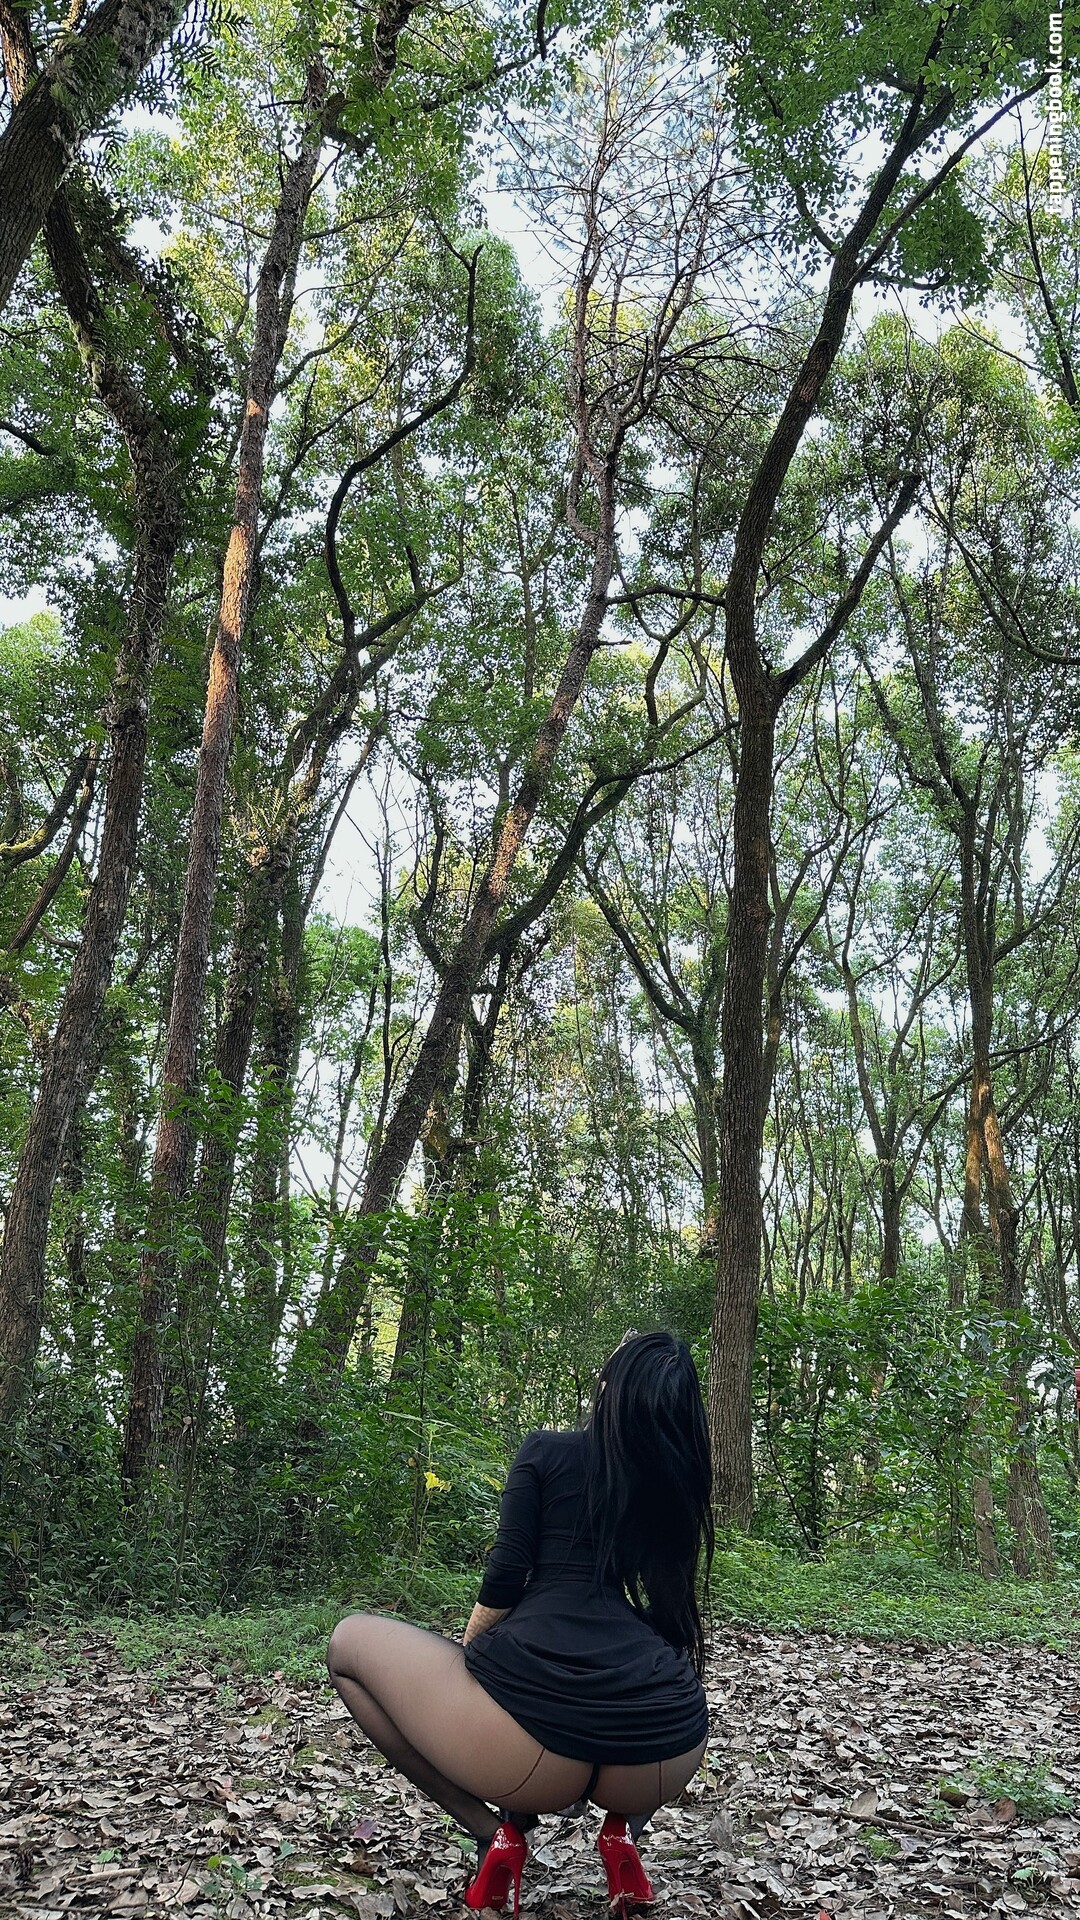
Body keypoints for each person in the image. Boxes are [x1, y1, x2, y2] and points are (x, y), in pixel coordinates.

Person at [326, 1330, 714, 1915]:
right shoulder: (666, 1478)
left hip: (529, 1758)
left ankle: (496, 1837)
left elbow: (506, 1576)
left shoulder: (546, 1451)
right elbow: (671, 1615)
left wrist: (467, 1662)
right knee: (666, 1704)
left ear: (608, 1387)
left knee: (346, 1646)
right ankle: (620, 1835)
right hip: (656, 1764)